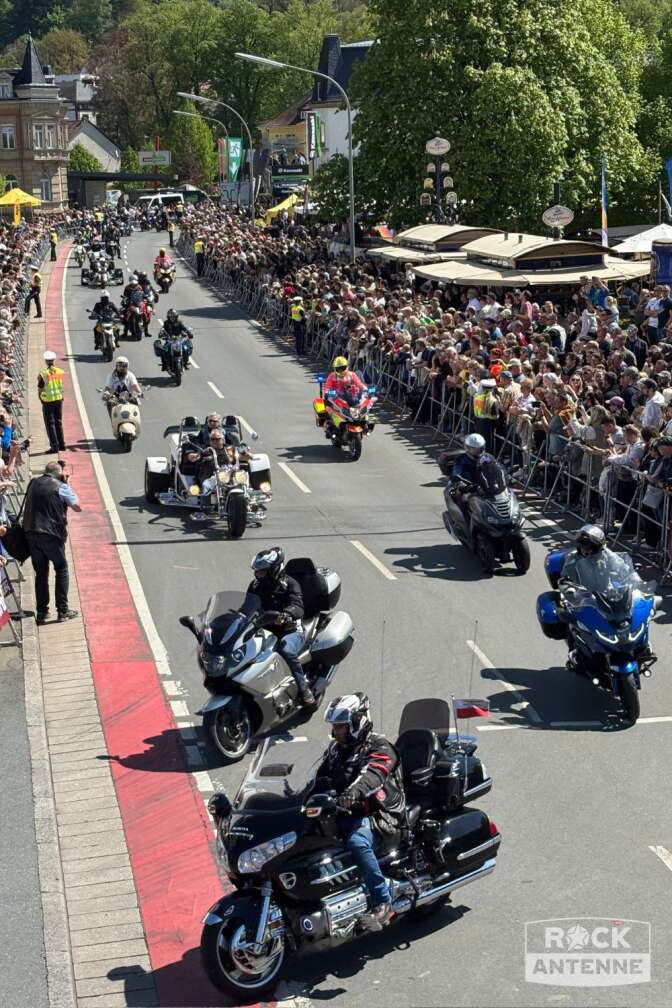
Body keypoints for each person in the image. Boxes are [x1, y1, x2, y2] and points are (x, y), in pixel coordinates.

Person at [314, 693, 405, 930]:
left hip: (377, 813)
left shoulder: (379, 746)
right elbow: (318, 777)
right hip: (342, 812)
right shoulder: (336, 750)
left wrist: (352, 793)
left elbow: (373, 774)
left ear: (357, 722)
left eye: (340, 726)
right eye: (335, 726)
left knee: (357, 842)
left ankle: (383, 902)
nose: (335, 731)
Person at [247, 546, 316, 708]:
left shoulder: (290, 584)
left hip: (290, 630)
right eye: (257, 571)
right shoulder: (255, 586)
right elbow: (247, 606)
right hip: (265, 630)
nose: (258, 575)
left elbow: (298, 606)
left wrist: (287, 614)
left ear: (274, 569)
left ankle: (304, 690)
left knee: (286, 650)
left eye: (262, 571)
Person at [23, 460, 82, 624]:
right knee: (61, 568)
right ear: (59, 473)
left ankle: (42, 612)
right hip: (51, 535)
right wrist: (68, 485)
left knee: (41, 573)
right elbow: (78, 507)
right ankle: (62, 611)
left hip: (31, 532)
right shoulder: (61, 486)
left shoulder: (33, 483)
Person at [38, 350, 66, 454]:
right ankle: (62, 444)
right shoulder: (60, 372)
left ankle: (54, 446)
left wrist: (41, 398)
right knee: (58, 422)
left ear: (46, 361)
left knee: (50, 424)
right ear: (54, 360)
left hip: (48, 401)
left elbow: (40, 388)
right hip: (59, 399)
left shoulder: (43, 374)